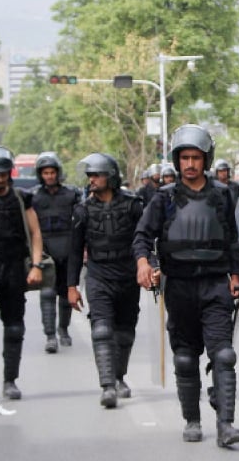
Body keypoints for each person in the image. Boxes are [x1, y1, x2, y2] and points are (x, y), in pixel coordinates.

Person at [133, 124, 239, 447]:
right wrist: (145, 264)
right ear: (177, 160)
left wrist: (236, 277)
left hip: (214, 286)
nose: (190, 164)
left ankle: (226, 424)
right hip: (178, 287)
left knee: (223, 355)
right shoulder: (163, 199)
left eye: (196, 157)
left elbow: (234, 242)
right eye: (184, 158)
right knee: (185, 357)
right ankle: (192, 420)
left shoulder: (224, 196)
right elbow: (142, 237)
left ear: (205, 159)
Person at [67, 153, 143, 409]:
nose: (92, 180)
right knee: (101, 330)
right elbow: (75, 250)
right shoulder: (82, 210)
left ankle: (119, 376)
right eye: (89, 176)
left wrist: (152, 266)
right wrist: (71, 286)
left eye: (97, 175)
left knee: (124, 333)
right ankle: (107, 386)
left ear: (110, 177)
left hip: (128, 277)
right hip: (99, 276)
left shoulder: (133, 206)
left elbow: (146, 238)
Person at [0, 147, 44, 404]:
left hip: (13, 270)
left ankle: (10, 381)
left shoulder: (21, 198)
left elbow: (36, 233)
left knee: (14, 327)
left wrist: (37, 265)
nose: (0, 178)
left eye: (4, 173)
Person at [31, 152, 82, 353]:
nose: (49, 176)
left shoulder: (71, 194)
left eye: (52, 172)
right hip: (45, 251)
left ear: (58, 173)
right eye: (46, 173)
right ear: (40, 174)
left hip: (68, 249)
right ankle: (50, 335)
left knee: (65, 292)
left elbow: (81, 222)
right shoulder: (34, 197)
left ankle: (63, 329)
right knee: (47, 293)